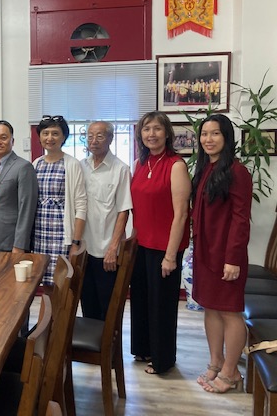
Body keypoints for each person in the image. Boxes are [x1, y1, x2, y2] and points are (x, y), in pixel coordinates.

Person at [191, 114, 252, 393]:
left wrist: (233, 259)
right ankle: (216, 362)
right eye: (204, 134)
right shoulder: (206, 169)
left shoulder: (237, 172)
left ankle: (231, 372)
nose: (208, 139)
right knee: (211, 307)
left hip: (226, 254)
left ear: (227, 137)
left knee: (230, 311)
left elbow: (241, 219)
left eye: (215, 133)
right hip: (205, 252)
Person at [130, 111, 191, 375]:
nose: (151, 134)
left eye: (156, 129)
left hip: (165, 247)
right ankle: (143, 349)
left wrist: (170, 256)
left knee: (161, 305)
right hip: (141, 245)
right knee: (141, 300)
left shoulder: (176, 165)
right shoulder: (139, 163)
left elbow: (181, 214)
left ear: (167, 133)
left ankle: (162, 359)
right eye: (146, 129)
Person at [80, 121, 132, 320]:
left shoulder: (120, 169)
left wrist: (113, 248)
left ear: (110, 138)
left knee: (109, 309)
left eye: (100, 136)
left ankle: (108, 341)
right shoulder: (81, 166)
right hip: (84, 249)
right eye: (90, 136)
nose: (94, 141)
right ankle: (90, 341)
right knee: (88, 305)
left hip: (106, 252)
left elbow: (123, 211)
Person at [32, 116, 86, 289]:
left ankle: (59, 309)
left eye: (55, 133)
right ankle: (47, 308)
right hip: (40, 232)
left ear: (63, 137)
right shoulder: (36, 164)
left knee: (61, 283)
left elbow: (81, 205)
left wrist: (75, 242)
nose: (50, 138)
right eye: (45, 133)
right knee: (43, 281)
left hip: (62, 233)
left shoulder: (72, 164)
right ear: (40, 136)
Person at [0, 120, 38, 253]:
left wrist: (20, 244)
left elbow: (27, 208)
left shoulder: (23, 167)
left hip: (11, 242)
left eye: (3, 137)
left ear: (12, 141)